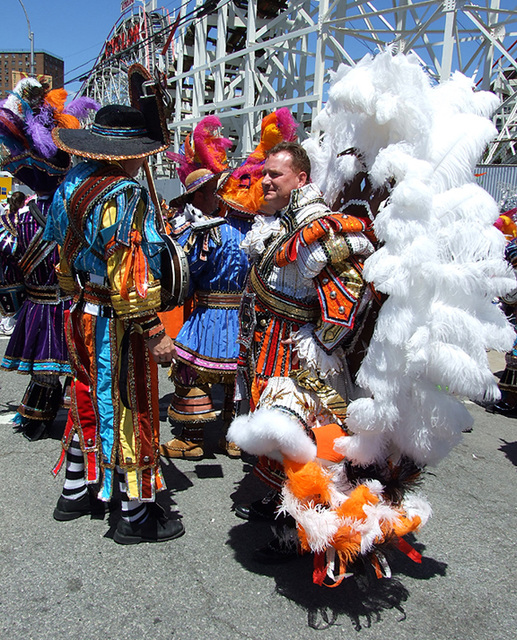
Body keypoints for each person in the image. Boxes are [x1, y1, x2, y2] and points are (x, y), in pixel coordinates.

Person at [228, 141, 379, 561]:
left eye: (275, 174)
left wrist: (322, 339)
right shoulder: (281, 220)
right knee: (279, 435)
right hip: (270, 345)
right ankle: (284, 509)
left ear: (302, 178)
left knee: (301, 442)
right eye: (264, 174)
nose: (265, 180)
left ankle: (300, 534)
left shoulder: (314, 224)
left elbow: (351, 292)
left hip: (300, 354)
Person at [45, 103, 185, 544]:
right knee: (131, 405)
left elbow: (62, 259)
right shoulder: (125, 194)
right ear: (131, 151)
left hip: (81, 312)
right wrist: (155, 330)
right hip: (118, 322)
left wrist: (78, 295)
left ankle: (75, 493)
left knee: (85, 397)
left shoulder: (72, 183)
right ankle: (134, 515)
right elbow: (129, 274)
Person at [0, 78, 97, 441]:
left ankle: (38, 416)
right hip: (73, 301)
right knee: (79, 365)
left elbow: (8, 257)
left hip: (39, 302)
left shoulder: (19, 216)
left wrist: (13, 292)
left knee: (44, 368)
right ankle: (81, 420)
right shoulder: (76, 208)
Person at [160, 115, 252, 459]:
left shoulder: (202, 232)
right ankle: (234, 438)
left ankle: (192, 438)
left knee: (188, 367)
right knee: (237, 378)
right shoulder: (253, 229)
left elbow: (183, 275)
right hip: (244, 316)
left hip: (209, 314)